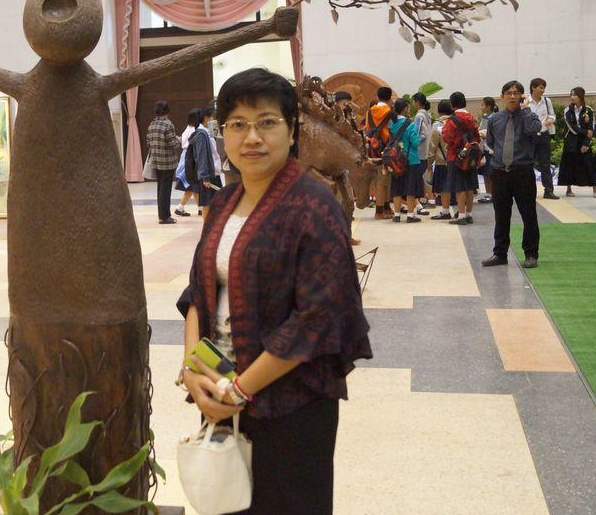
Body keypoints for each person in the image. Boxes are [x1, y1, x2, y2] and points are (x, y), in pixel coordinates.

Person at [176, 67, 371, 515]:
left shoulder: (314, 207)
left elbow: (317, 319)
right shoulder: (223, 203)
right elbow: (199, 292)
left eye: (267, 122)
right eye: (237, 124)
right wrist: (193, 371)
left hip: (289, 404)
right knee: (227, 504)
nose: (252, 137)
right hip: (220, 390)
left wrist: (239, 391)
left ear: (291, 130)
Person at [482, 81, 543, 269]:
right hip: (500, 173)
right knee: (501, 215)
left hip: (523, 172)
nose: (512, 96)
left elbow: (535, 129)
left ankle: (531, 254)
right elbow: (491, 142)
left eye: (516, 93)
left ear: (522, 96)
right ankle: (500, 253)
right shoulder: (494, 119)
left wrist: (526, 110)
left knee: (528, 214)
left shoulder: (528, 116)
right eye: (508, 93)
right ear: (502, 96)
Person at [441, 92, 480, 225]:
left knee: (459, 186)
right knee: (470, 186)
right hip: (471, 155)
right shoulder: (472, 118)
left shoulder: (452, 120)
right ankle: (469, 214)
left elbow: (447, 136)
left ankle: (461, 215)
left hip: (456, 156)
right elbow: (477, 137)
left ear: (452, 105)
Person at [558, 87, 596, 198]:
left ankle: (595, 189)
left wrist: (586, 143)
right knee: (569, 164)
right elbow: (571, 127)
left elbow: (591, 127)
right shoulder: (567, 110)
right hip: (571, 140)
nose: (572, 97)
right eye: (571, 95)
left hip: (584, 140)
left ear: (581, 96)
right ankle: (568, 189)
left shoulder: (588, 110)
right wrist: (586, 132)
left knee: (589, 164)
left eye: (575, 95)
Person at [387, 98, 423, 223]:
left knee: (397, 188)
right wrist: (420, 137)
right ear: (405, 109)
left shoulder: (392, 124)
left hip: (395, 160)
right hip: (410, 160)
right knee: (410, 189)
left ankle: (397, 214)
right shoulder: (410, 124)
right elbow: (415, 142)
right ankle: (410, 215)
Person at [146, 100, 180, 224]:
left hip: (156, 161)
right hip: (167, 162)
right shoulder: (168, 125)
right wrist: (179, 140)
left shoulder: (152, 124)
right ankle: (165, 217)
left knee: (160, 188)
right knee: (166, 190)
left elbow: (148, 143)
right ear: (167, 110)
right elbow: (173, 144)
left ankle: (162, 215)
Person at [366, 86, 396, 219]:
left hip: (372, 148)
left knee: (378, 178)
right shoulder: (390, 112)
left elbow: (367, 128)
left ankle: (386, 207)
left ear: (377, 97)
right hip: (386, 148)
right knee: (384, 179)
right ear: (390, 98)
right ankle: (379, 211)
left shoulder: (370, 111)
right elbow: (393, 130)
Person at [527, 78, 559, 199]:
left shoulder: (546, 100)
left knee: (545, 164)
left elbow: (552, 114)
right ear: (533, 87)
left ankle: (549, 191)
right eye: (540, 87)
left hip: (544, 135)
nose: (542, 90)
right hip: (530, 137)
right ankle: (529, 190)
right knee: (528, 164)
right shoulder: (525, 101)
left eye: (543, 88)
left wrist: (550, 119)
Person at [193, 106, 223, 216]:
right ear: (206, 118)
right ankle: (207, 226)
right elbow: (202, 156)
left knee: (216, 203)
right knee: (207, 203)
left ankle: (213, 224)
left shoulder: (208, 132)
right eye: (212, 117)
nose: (214, 120)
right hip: (208, 174)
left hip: (214, 171)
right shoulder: (201, 134)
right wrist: (205, 176)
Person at [429, 100, 454, 219]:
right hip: (458, 160)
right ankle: (461, 212)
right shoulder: (456, 122)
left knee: (444, 187)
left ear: (439, 111)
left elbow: (433, 145)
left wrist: (429, 162)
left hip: (442, 161)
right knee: (459, 186)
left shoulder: (437, 125)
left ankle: (445, 211)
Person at [174, 109, 202, 216]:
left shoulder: (188, 128)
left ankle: (197, 208)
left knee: (192, 186)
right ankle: (183, 207)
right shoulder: (195, 130)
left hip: (186, 157)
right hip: (190, 158)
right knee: (192, 185)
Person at [411, 92, 434, 213]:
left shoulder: (419, 115)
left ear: (418, 102)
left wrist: (414, 142)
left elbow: (421, 132)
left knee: (419, 176)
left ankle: (423, 199)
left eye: (413, 101)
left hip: (420, 151)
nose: (412, 103)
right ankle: (426, 198)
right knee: (424, 175)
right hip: (426, 150)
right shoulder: (427, 114)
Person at [478, 97, 498, 203]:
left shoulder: (495, 118)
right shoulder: (485, 117)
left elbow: (492, 133)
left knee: (491, 173)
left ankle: (493, 194)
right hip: (484, 148)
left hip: (492, 150)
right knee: (485, 173)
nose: (481, 107)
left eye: (483, 105)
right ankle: (487, 193)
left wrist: (483, 134)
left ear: (489, 106)